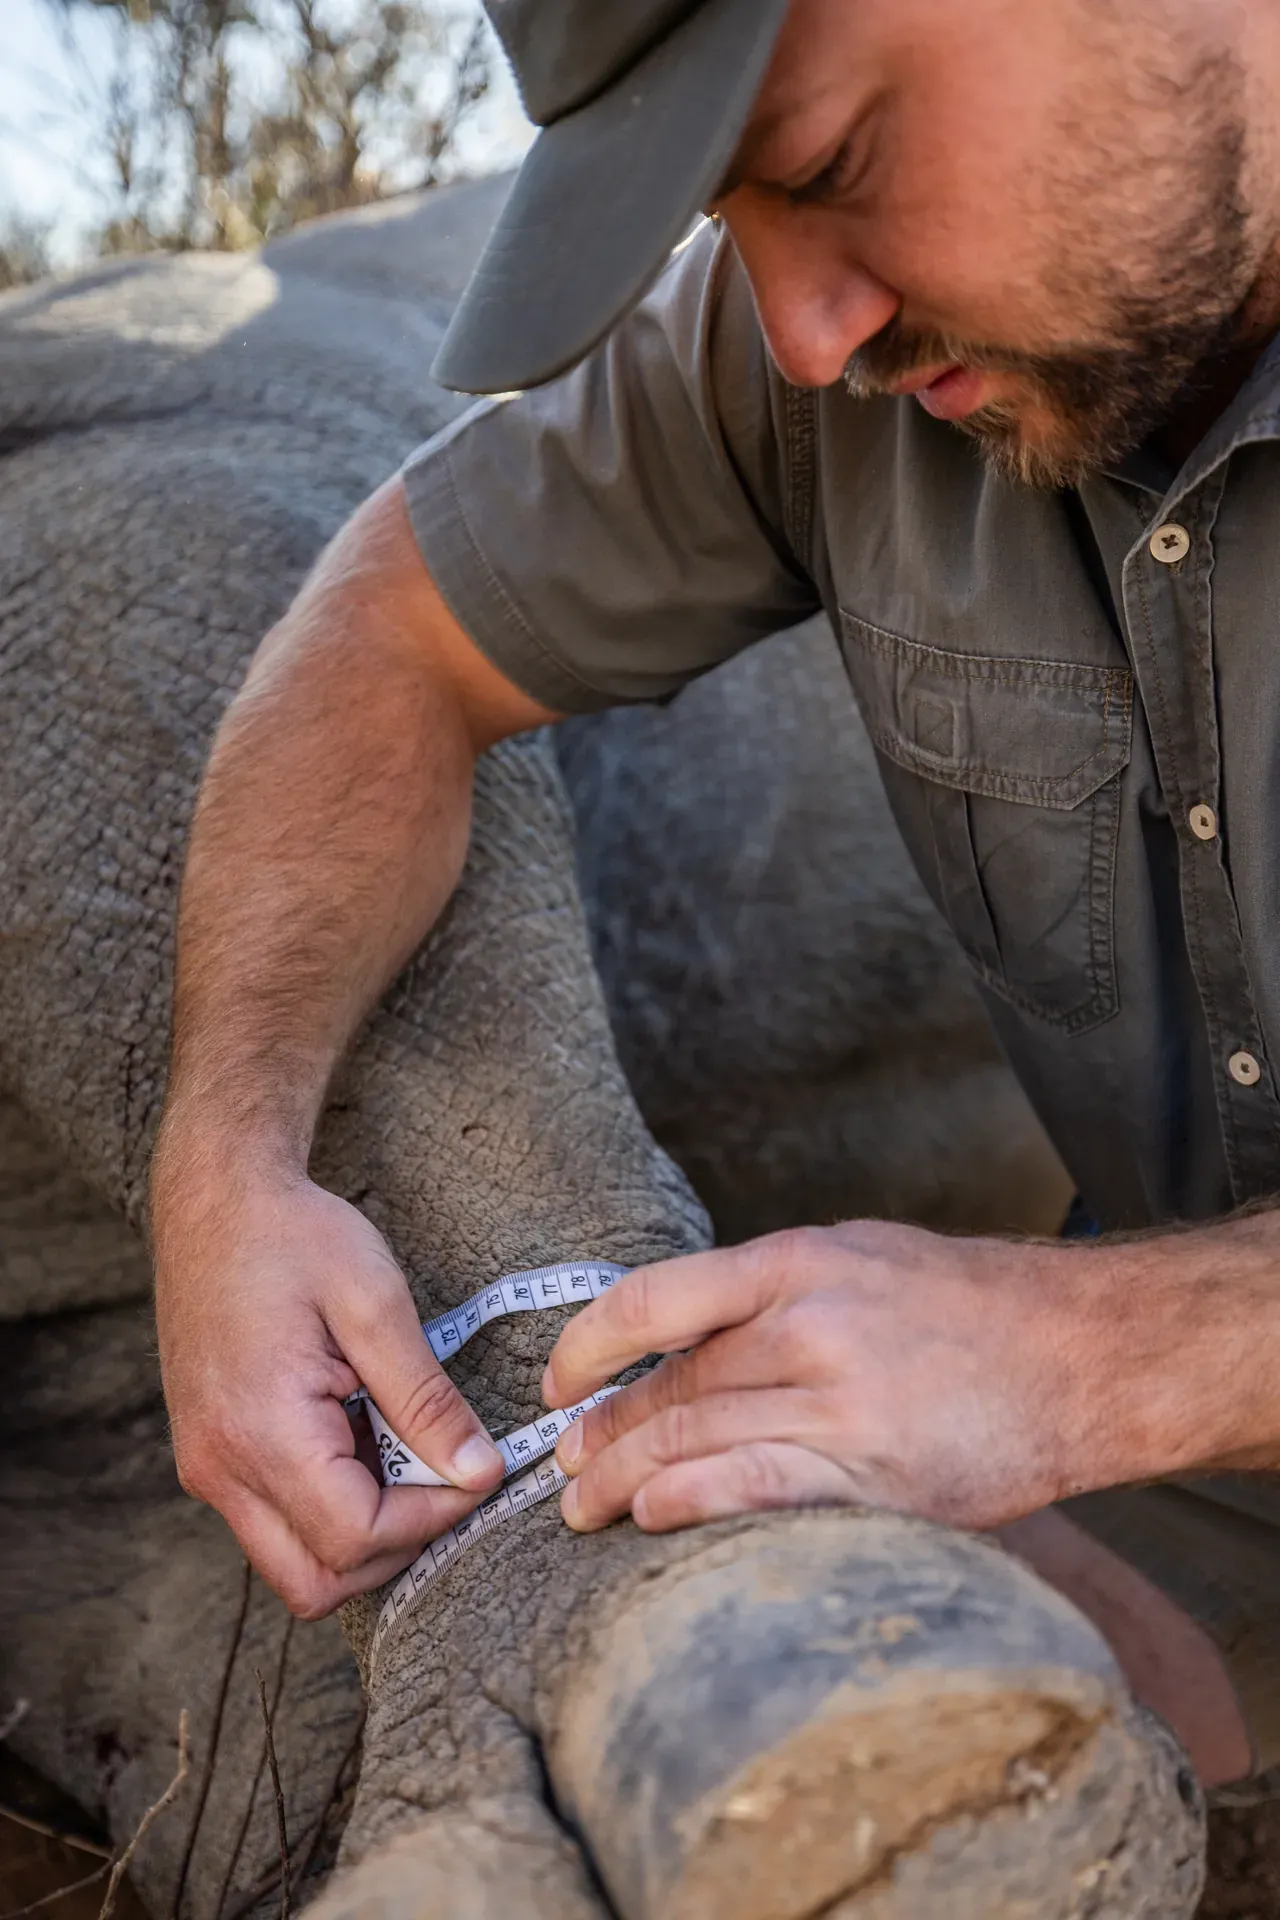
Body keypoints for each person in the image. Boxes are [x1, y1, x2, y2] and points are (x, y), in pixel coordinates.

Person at [150, 0, 1280, 1816]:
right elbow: (381, 641)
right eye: (722, 220)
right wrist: (225, 1153)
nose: (806, 331)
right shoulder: (797, 361)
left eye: (832, 162)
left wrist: (1097, 1352)